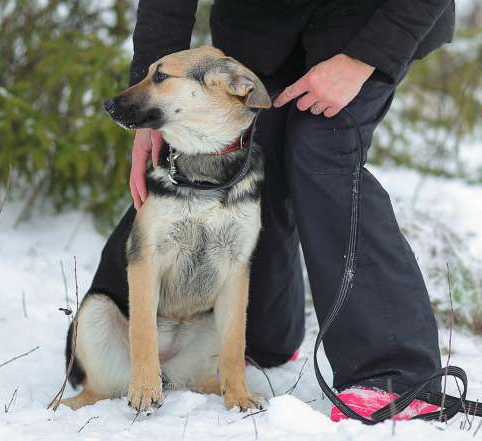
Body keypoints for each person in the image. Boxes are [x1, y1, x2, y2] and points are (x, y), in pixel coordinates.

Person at [86, 0, 455, 421]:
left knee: (322, 148)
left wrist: (362, 59)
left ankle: (396, 374)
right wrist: (152, 113)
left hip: (369, 20)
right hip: (263, 30)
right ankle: (266, 338)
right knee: (253, 152)